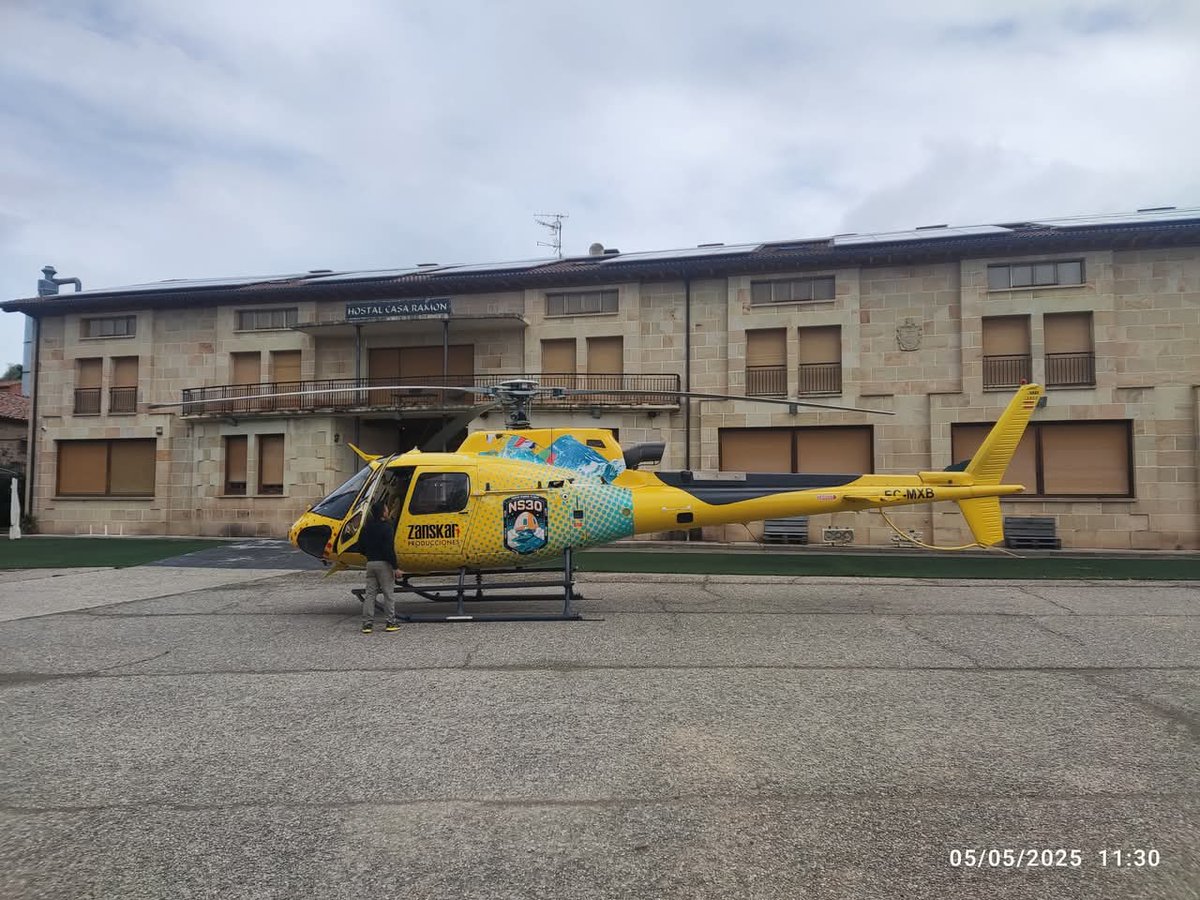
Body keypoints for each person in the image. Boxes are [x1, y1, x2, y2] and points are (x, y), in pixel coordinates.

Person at [359, 500, 401, 633]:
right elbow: (388, 549)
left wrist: (369, 555)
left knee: (370, 594)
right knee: (388, 594)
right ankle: (390, 621)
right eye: (386, 509)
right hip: (384, 564)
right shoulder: (387, 527)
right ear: (383, 512)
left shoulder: (366, 528)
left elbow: (360, 547)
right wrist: (395, 567)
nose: (388, 511)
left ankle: (367, 624)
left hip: (370, 563)